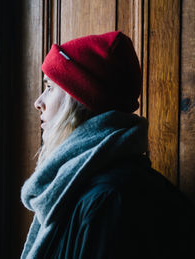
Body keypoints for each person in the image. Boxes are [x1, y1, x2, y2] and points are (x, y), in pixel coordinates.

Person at [20, 31, 195, 259]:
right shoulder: (87, 189)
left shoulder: (109, 200)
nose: (38, 102)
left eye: (50, 88)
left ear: (79, 103)